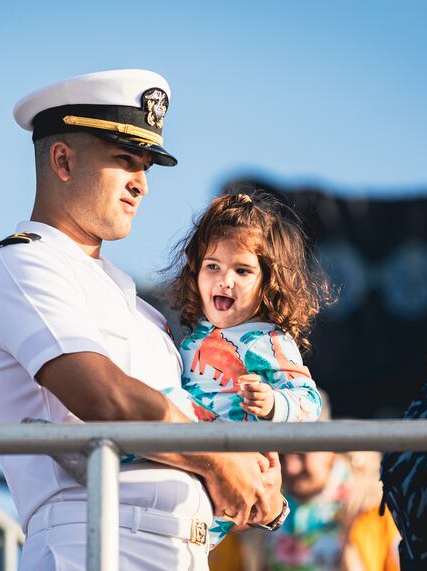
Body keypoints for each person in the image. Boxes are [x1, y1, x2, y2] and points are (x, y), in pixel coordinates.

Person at [0, 69, 286, 571]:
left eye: (148, 167)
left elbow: (189, 414)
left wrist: (253, 464)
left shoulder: (140, 309)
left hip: (184, 550)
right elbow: (104, 396)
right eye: (125, 161)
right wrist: (218, 460)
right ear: (63, 160)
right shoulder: (22, 266)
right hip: (95, 542)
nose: (143, 185)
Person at [160, 191, 324, 548]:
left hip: (233, 464)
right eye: (212, 266)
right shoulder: (193, 338)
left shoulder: (270, 340)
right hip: (189, 463)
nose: (225, 280)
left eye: (243, 270)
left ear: (268, 282)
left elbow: (310, 401)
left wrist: (272, 403)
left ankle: (86, 444)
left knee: (156, 406)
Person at [240, 394, 401, 571]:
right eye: (281, 455)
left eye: (301, 454)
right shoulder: (252, 505)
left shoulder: (373, 506)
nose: (291, 468)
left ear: (328, 445)